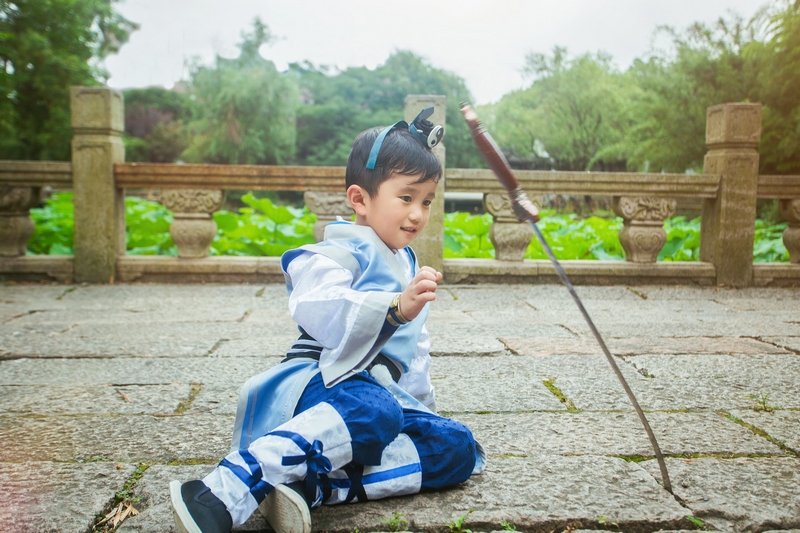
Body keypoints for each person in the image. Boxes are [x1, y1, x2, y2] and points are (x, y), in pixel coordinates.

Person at [169, 107, 485, 533]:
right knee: (376, 410)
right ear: (360, 199)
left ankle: (314, 487)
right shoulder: (336, 253)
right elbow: (319, 306)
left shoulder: (408, 264)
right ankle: (227, 488)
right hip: (323, 383)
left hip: (380, 398)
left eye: (427, 201)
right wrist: (393, 307)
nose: (418, 214)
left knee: (456, 446)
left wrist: (423, 414)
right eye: (406, 198)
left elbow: (414, 351)